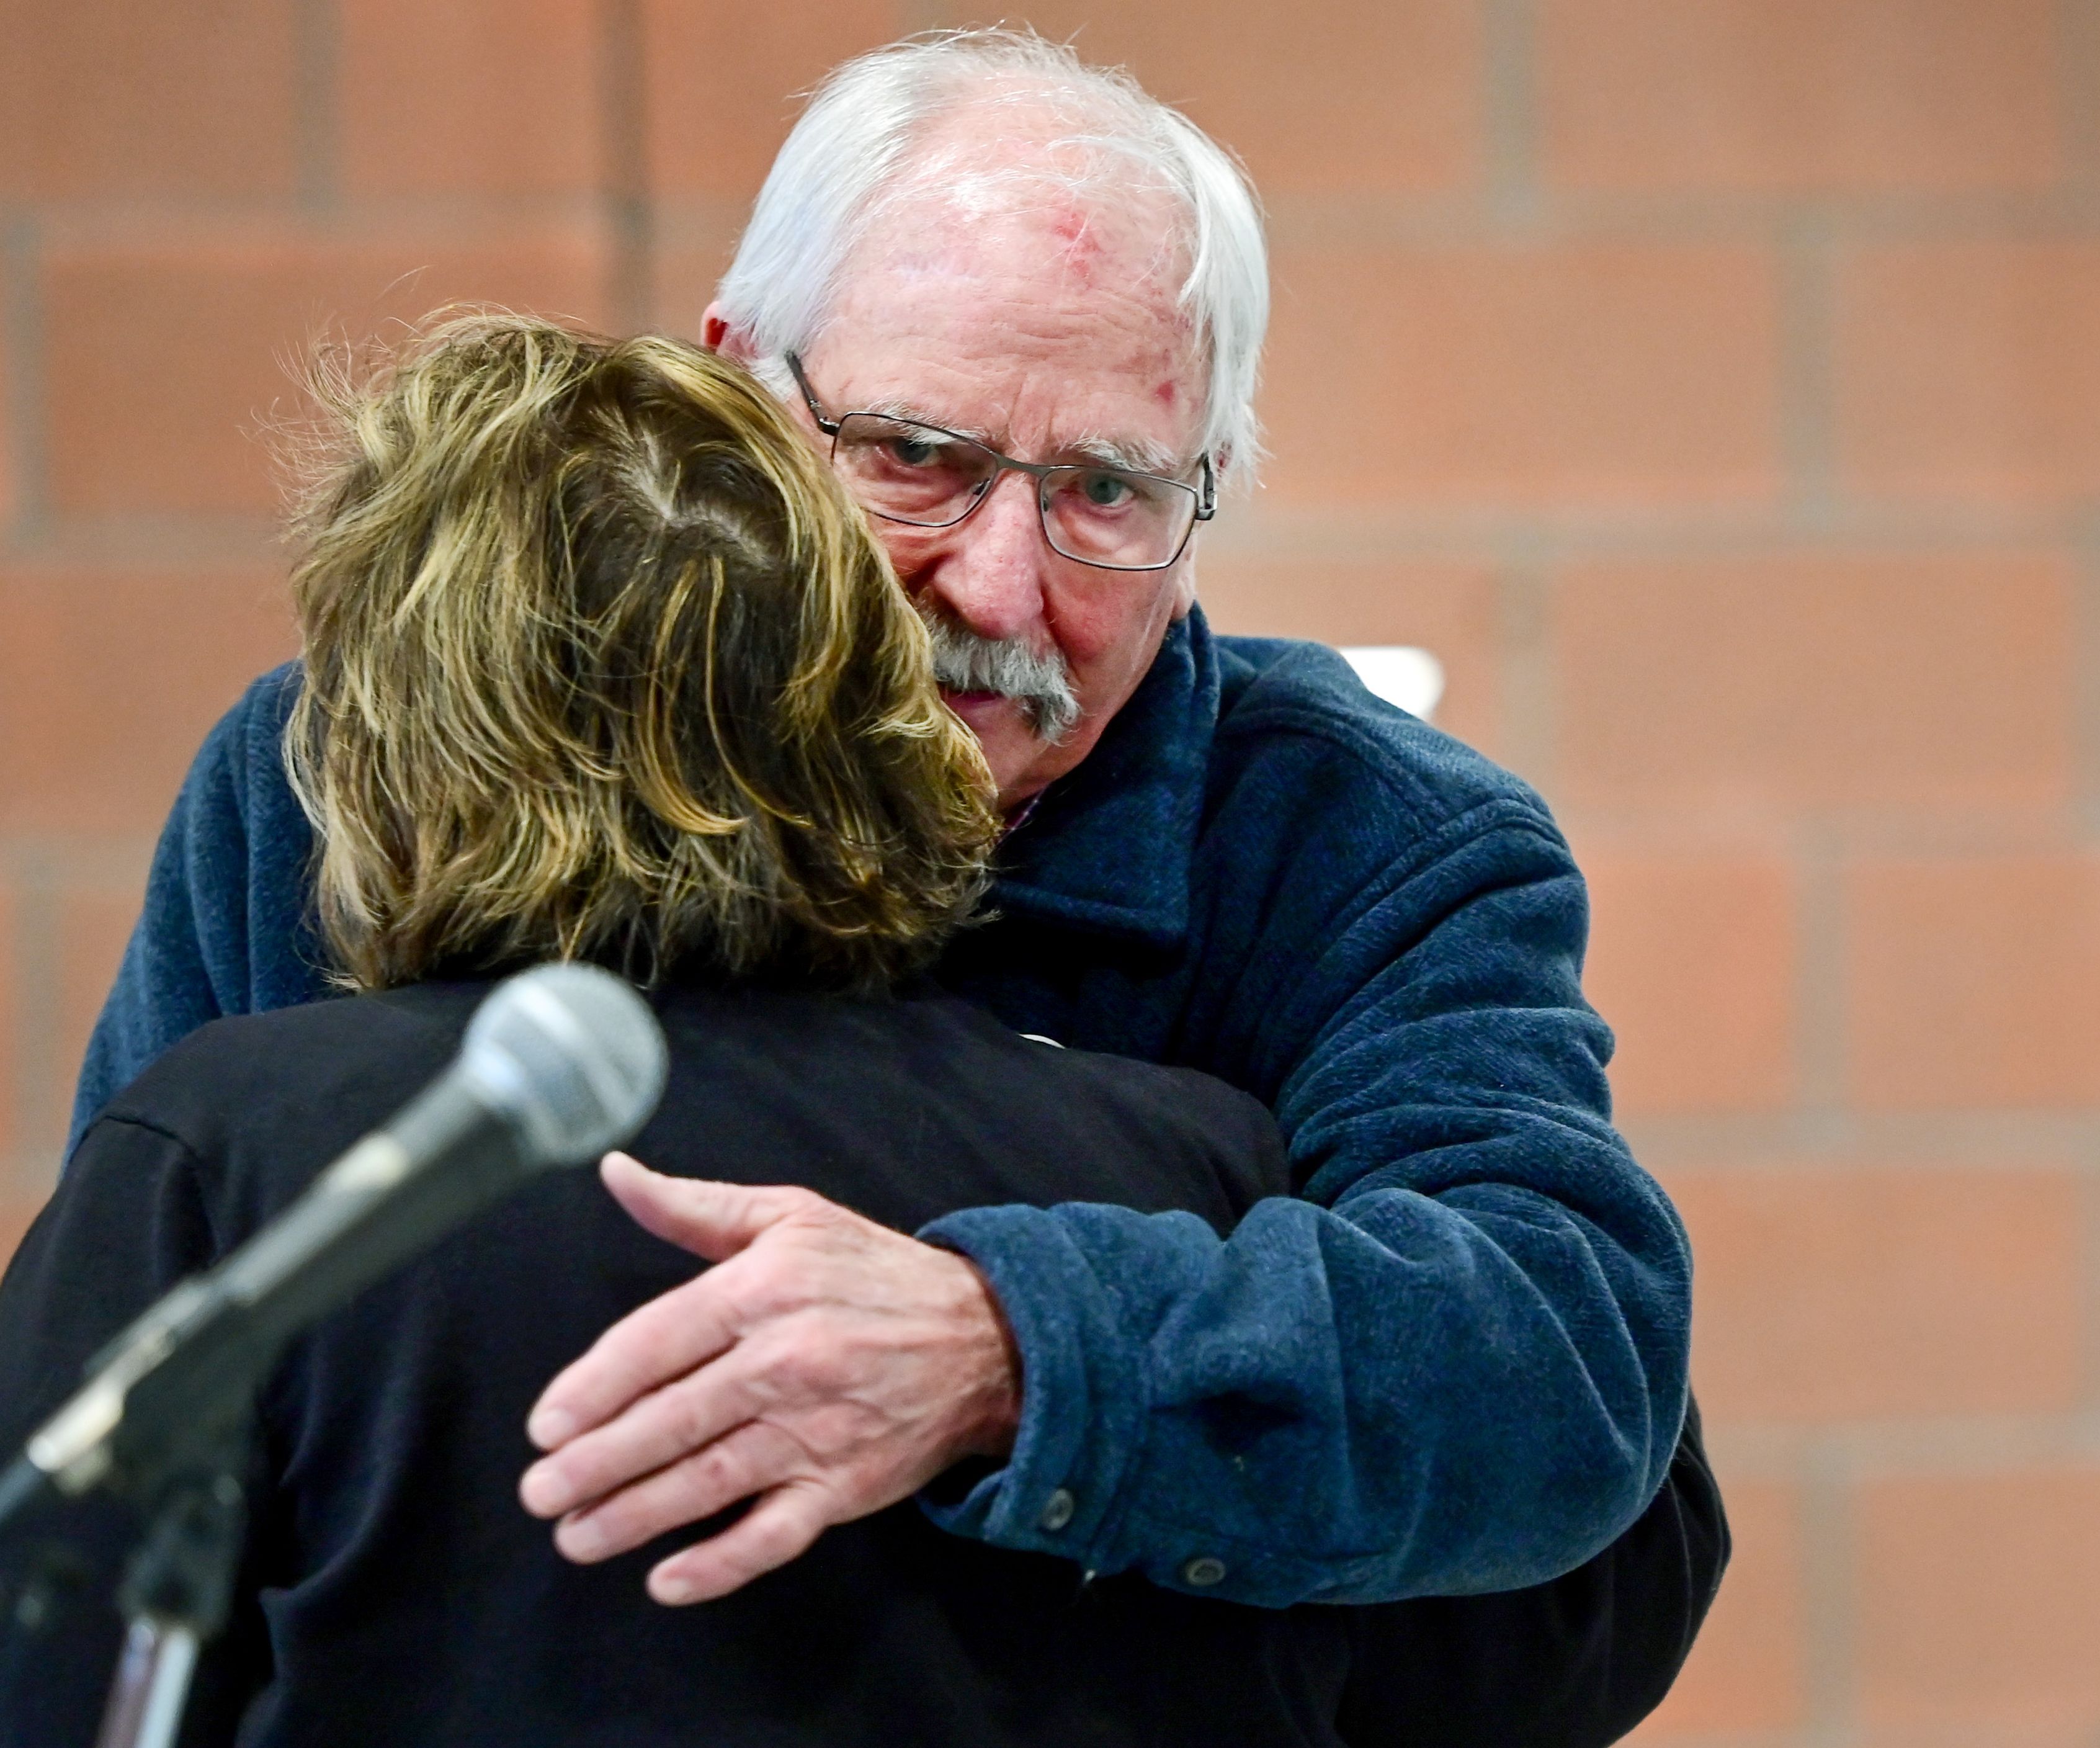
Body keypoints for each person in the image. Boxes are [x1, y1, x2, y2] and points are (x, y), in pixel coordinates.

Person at [68, 29, 1723, 1737]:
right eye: (916, 455)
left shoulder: (1361, 839)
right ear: (743, 389)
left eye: (1106, 491)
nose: (1002, 585)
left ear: (1204, 494)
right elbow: (132, 1408)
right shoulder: (344, 773)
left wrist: (1014, 1346)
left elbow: (1569, 1358)